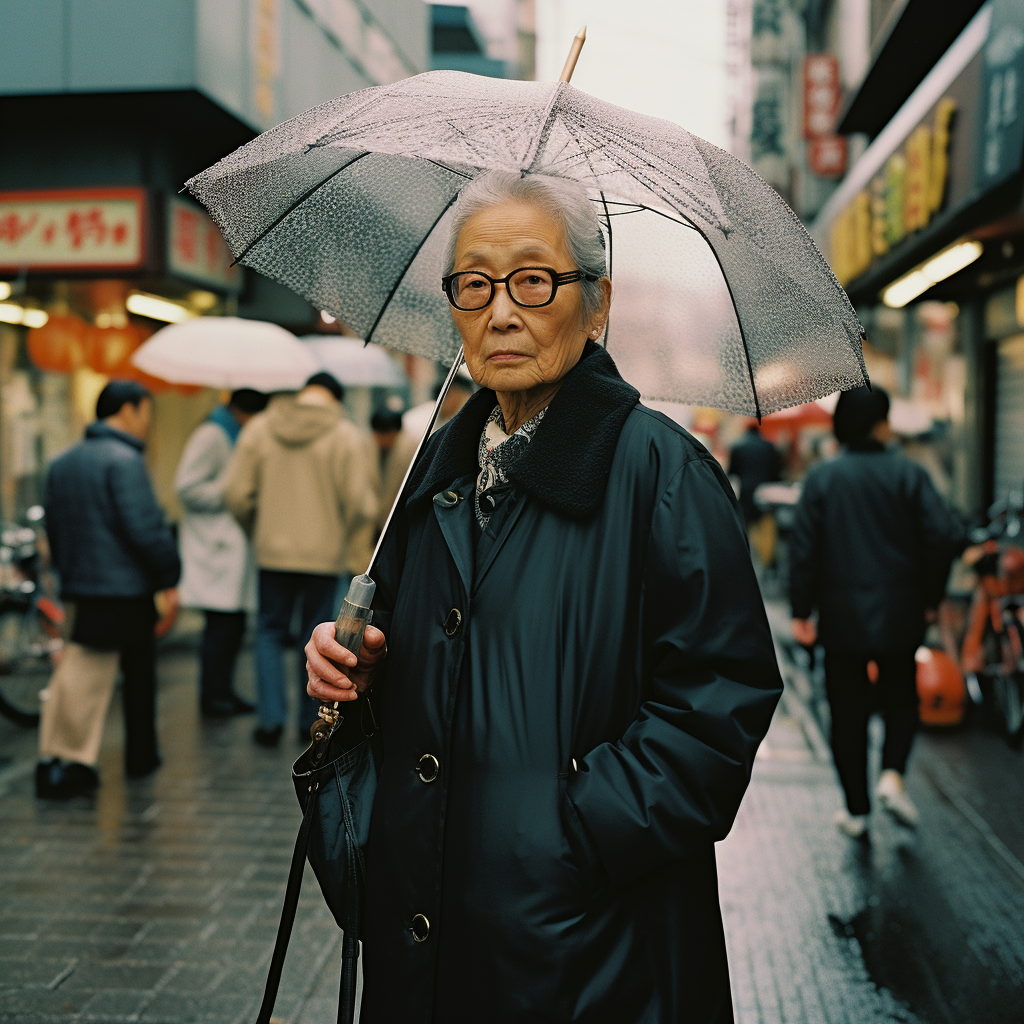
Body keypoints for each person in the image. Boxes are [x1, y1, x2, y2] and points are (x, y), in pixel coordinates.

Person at [304, 171, 782, 1023]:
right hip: (428, 931)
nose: (501, 311)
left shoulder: (663, 476)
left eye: (533, 279)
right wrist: (363, 672)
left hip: (593, 953)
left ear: (596, 304)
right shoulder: (436, 476)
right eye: (474, 283)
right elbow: (427, 664)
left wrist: (569, 832)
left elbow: (720, 705)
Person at [790, 385, 964, 837]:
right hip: (901, 611)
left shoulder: (823, 479)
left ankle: (857, 809)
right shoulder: (909, 475)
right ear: (881, 424)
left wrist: (801, 610)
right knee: (900, 699)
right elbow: (940, 537)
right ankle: (892, 775)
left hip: (841, 616)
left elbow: (803, 550)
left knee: (845, 712)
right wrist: (930, 598)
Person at [37, 380, 181, 799]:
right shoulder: (125, 461)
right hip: (126, 590)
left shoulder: (62, 462)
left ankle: (132, 755)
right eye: (146, 415)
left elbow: (55, 528)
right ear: (130, 410)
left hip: (82, 587)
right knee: (132, 675)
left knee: (96, 667)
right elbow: (146, 530)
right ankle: (134, 757)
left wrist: (68, 575)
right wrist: (169, 575)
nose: (146, 426)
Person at [224, 372, 376, 748]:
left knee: (269, 632)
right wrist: (345, 538)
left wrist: (258, 531)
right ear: (335, 398)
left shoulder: (260, 427)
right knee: (316, 635)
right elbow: (360, 503)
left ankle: (269, 720)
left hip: (272, 554)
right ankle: (306, 721)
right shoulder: (344, 434)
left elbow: (234, 493)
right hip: (323, 559)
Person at [175, 388, 268, 718]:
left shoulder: (230, 433)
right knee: (221, 627)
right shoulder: (212, 435)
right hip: (213, 546)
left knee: (232, 626)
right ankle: (213, 697)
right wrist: (232, 491)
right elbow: (186, 487)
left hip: (227, 547)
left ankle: (224, 692)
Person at [369, 408, 418, 531]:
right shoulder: (367, 447)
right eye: (379, 435)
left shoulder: (411, 449)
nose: (384, 440)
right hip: (373, 518)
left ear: (397, 432)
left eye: (388, 435)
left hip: (399, 517)